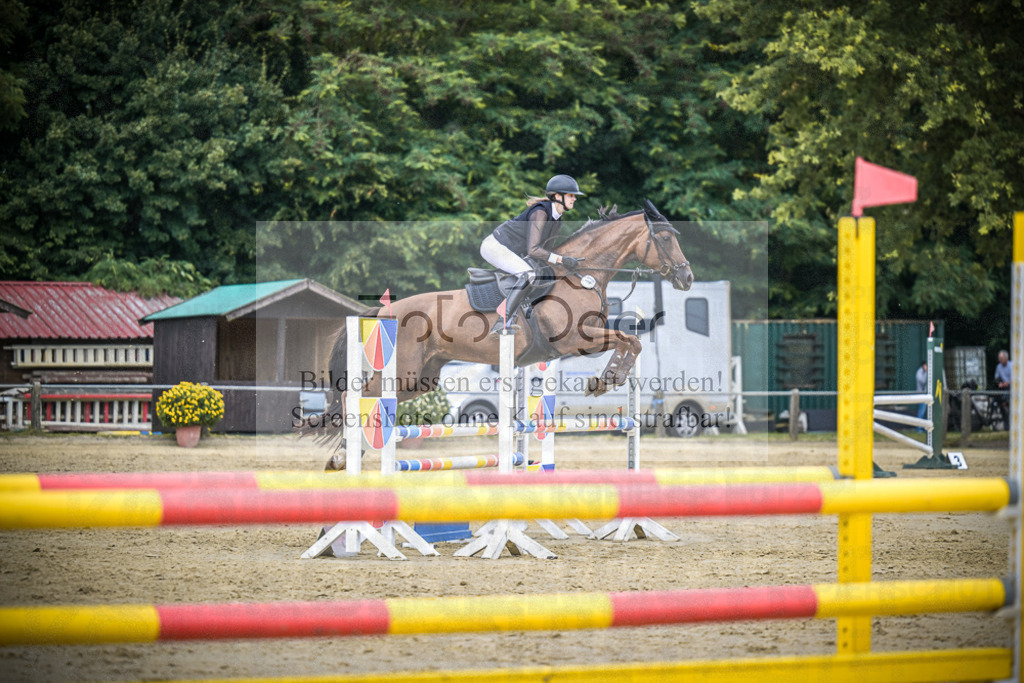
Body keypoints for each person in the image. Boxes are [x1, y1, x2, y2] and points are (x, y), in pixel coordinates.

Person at [480, 174, 585, 334]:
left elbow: (545, 253)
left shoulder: (557, 219)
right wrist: (561, 259)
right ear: (558, 196)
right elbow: (533, 250)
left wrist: (566, 263)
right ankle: (502, 320)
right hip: (495, 247)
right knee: (529, 274)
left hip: (511, 250)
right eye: (571, 195)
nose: (574, 199)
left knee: (542, 273)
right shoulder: (540, 212)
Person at [915, 360, 929, 431]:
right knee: (921, 411)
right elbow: (923, 381)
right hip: (921, 395)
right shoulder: (919, 372)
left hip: (926, 395)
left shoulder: (926, 372)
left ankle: (923, 427)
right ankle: (919, 428)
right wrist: (927, 373)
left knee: (925, 412)